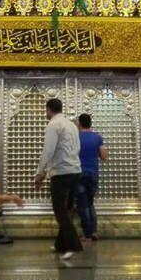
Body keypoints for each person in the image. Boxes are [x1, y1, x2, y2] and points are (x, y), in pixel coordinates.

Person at [34, 98, 83, 260]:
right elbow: (77, 148)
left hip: (61, 173)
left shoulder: (53, 125)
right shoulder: (72, 125)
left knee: (60, 211)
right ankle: (60, 245)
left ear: (49, 109)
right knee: (67, 210)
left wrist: (40, 173)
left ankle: (72, 245)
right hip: (75, 171)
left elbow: (48, 151)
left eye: (46, 110)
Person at [76, 113, 107, 241]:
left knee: (83, 205)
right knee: (90, 203)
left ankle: (87, 234)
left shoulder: (76, 138)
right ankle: (94, 231)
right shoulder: (97, 138)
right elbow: (104, 157)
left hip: (79, 174)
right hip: (93, 174)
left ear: (79, 123)